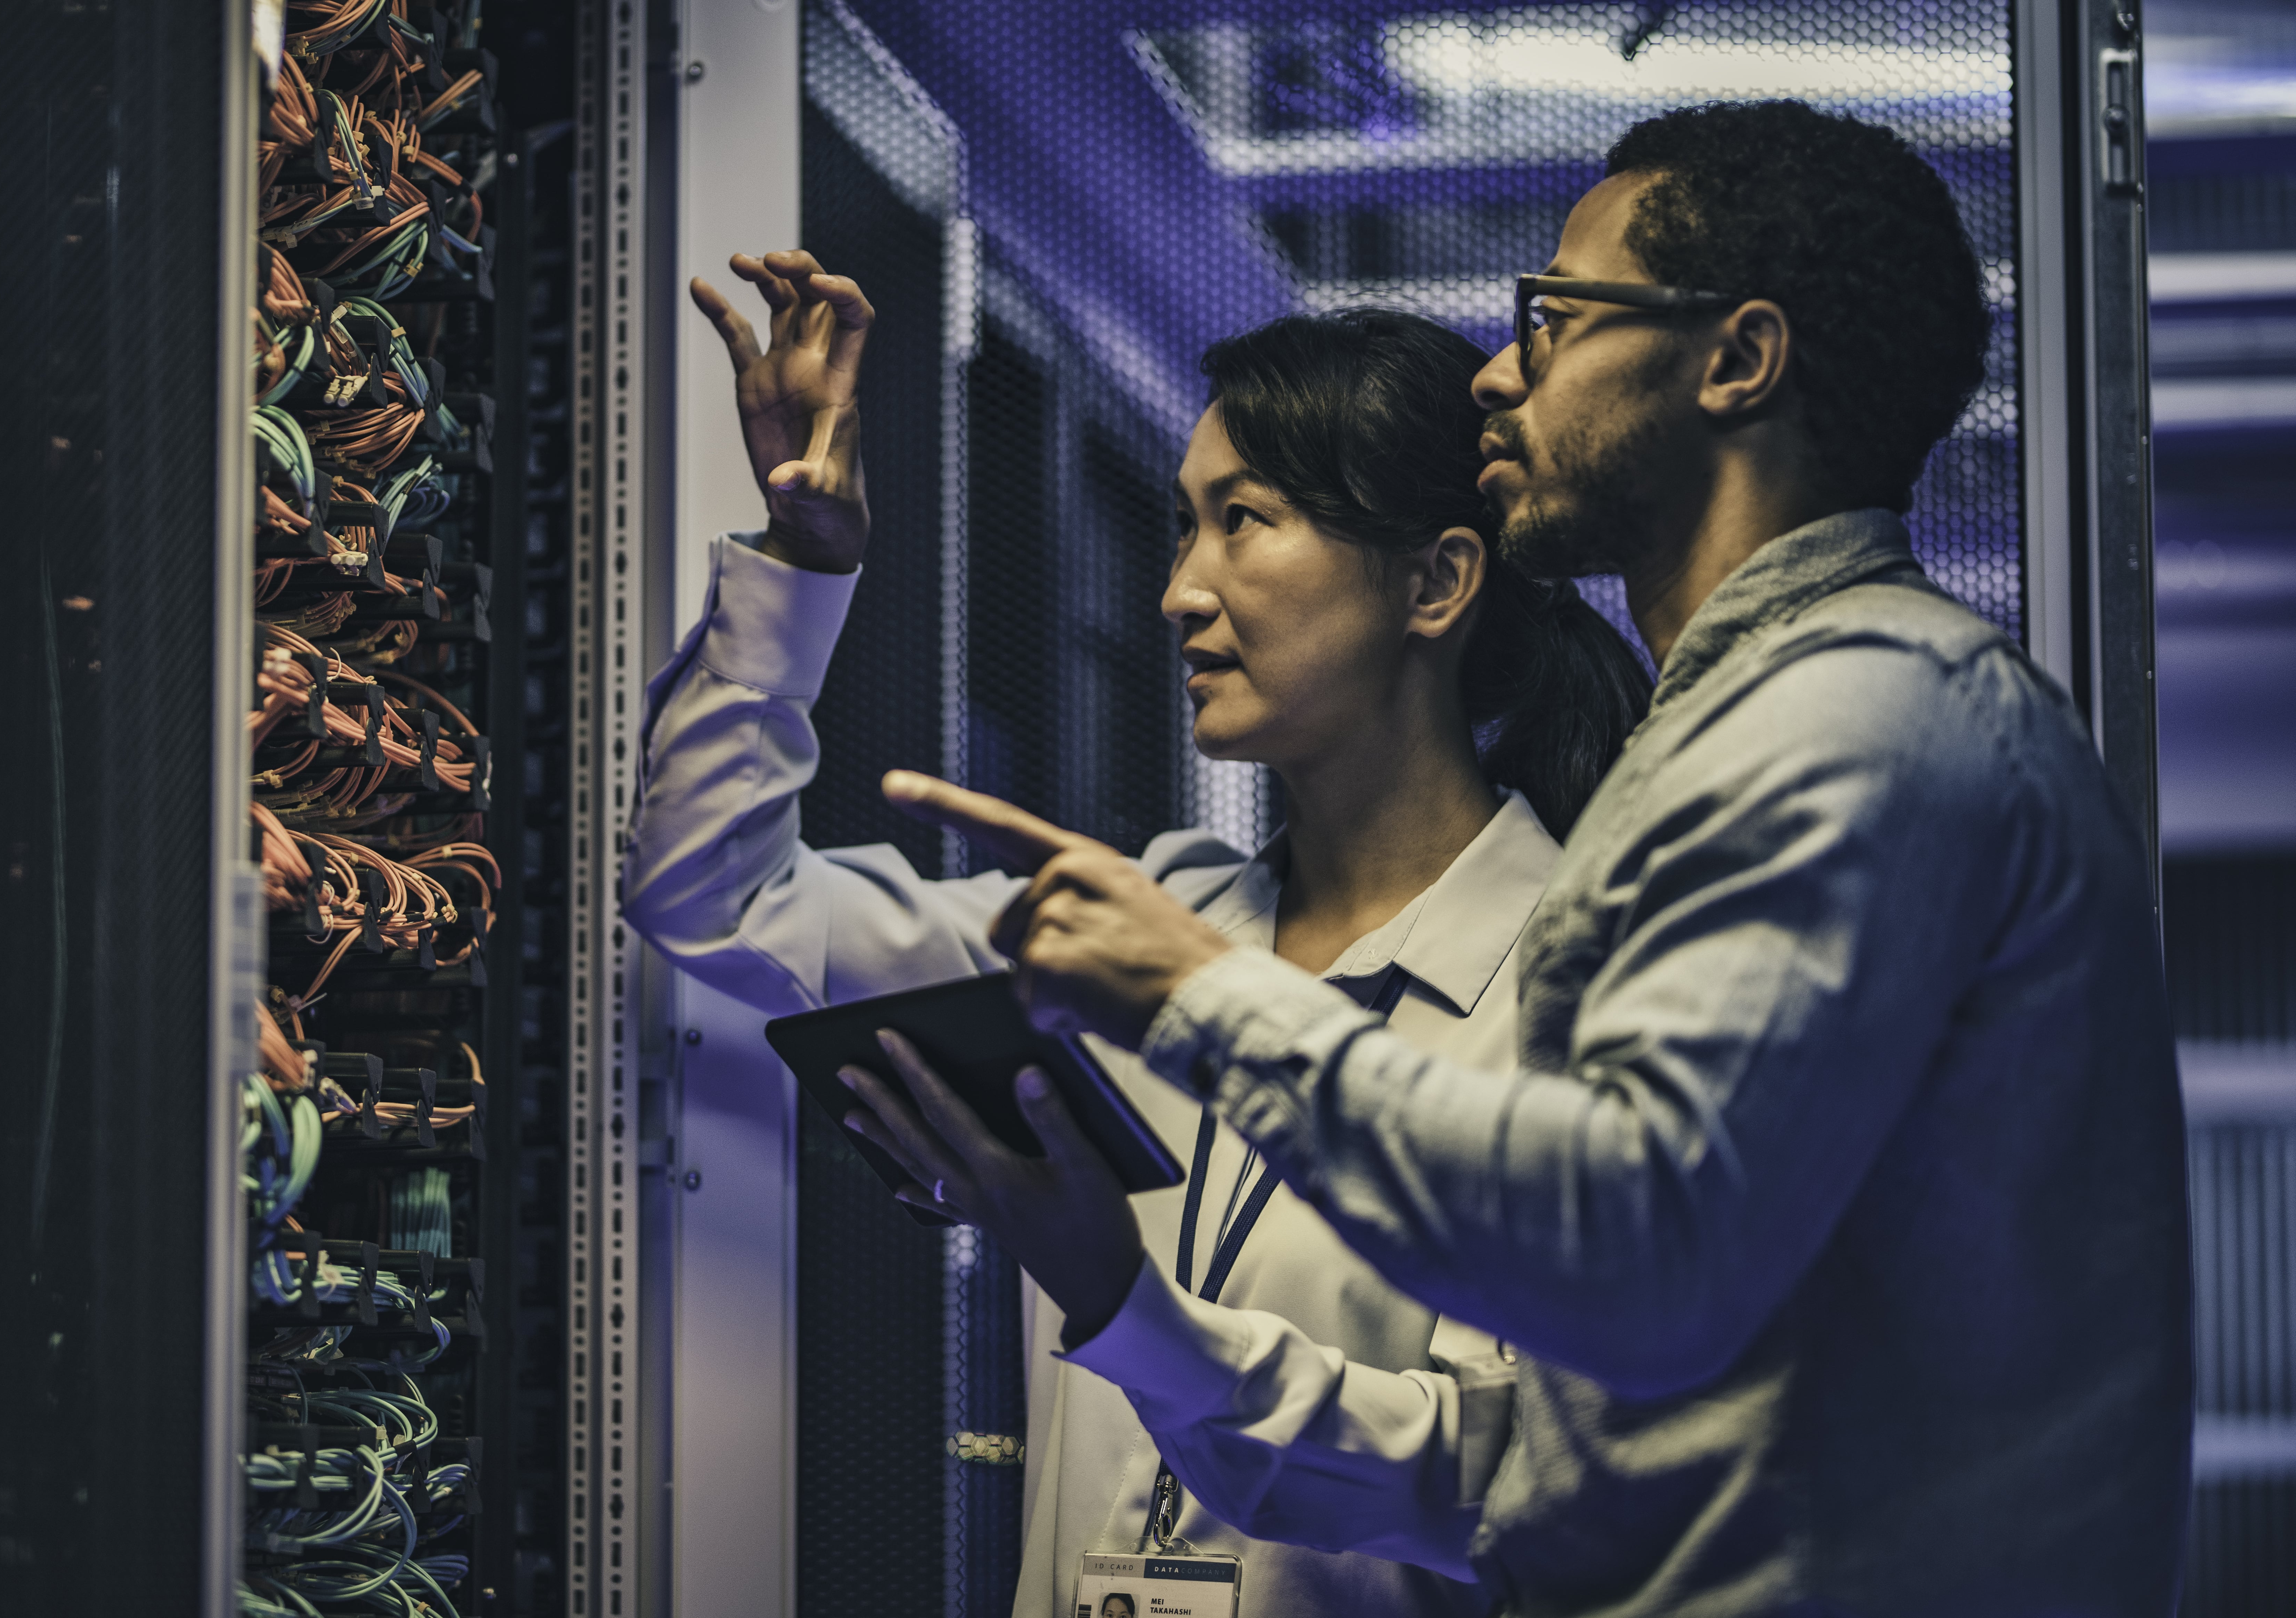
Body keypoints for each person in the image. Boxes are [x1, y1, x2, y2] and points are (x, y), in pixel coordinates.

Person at [856, 99, 2193, 1617]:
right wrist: (1119, 1288)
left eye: (1554, 318)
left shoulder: (1858, 712)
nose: (1499, 371)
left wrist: (1196, 993)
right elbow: (1530, 1449)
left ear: (1734, 361)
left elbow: (1632, 1238)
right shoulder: (1731, 742)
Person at [623, 250, 1650, 1618]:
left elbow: (1486, 1479)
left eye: (1245, 518)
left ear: (1433, 582)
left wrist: (1121, 1296)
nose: (1178, 587)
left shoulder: (1573, 988)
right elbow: (714, 894)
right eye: (1182, 525)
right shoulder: (1146, 925)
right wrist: (802, 567)